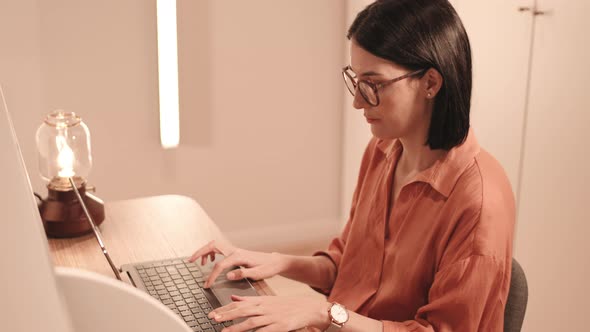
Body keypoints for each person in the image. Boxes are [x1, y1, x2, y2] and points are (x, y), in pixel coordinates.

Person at [189, 0, 515, 331]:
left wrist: (324, 314)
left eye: (374, 85)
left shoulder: (479, 202)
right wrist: (277, 262)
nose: (358, 101)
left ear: (430, 83)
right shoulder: (382, 151)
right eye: (356, 79)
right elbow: (348, 267)